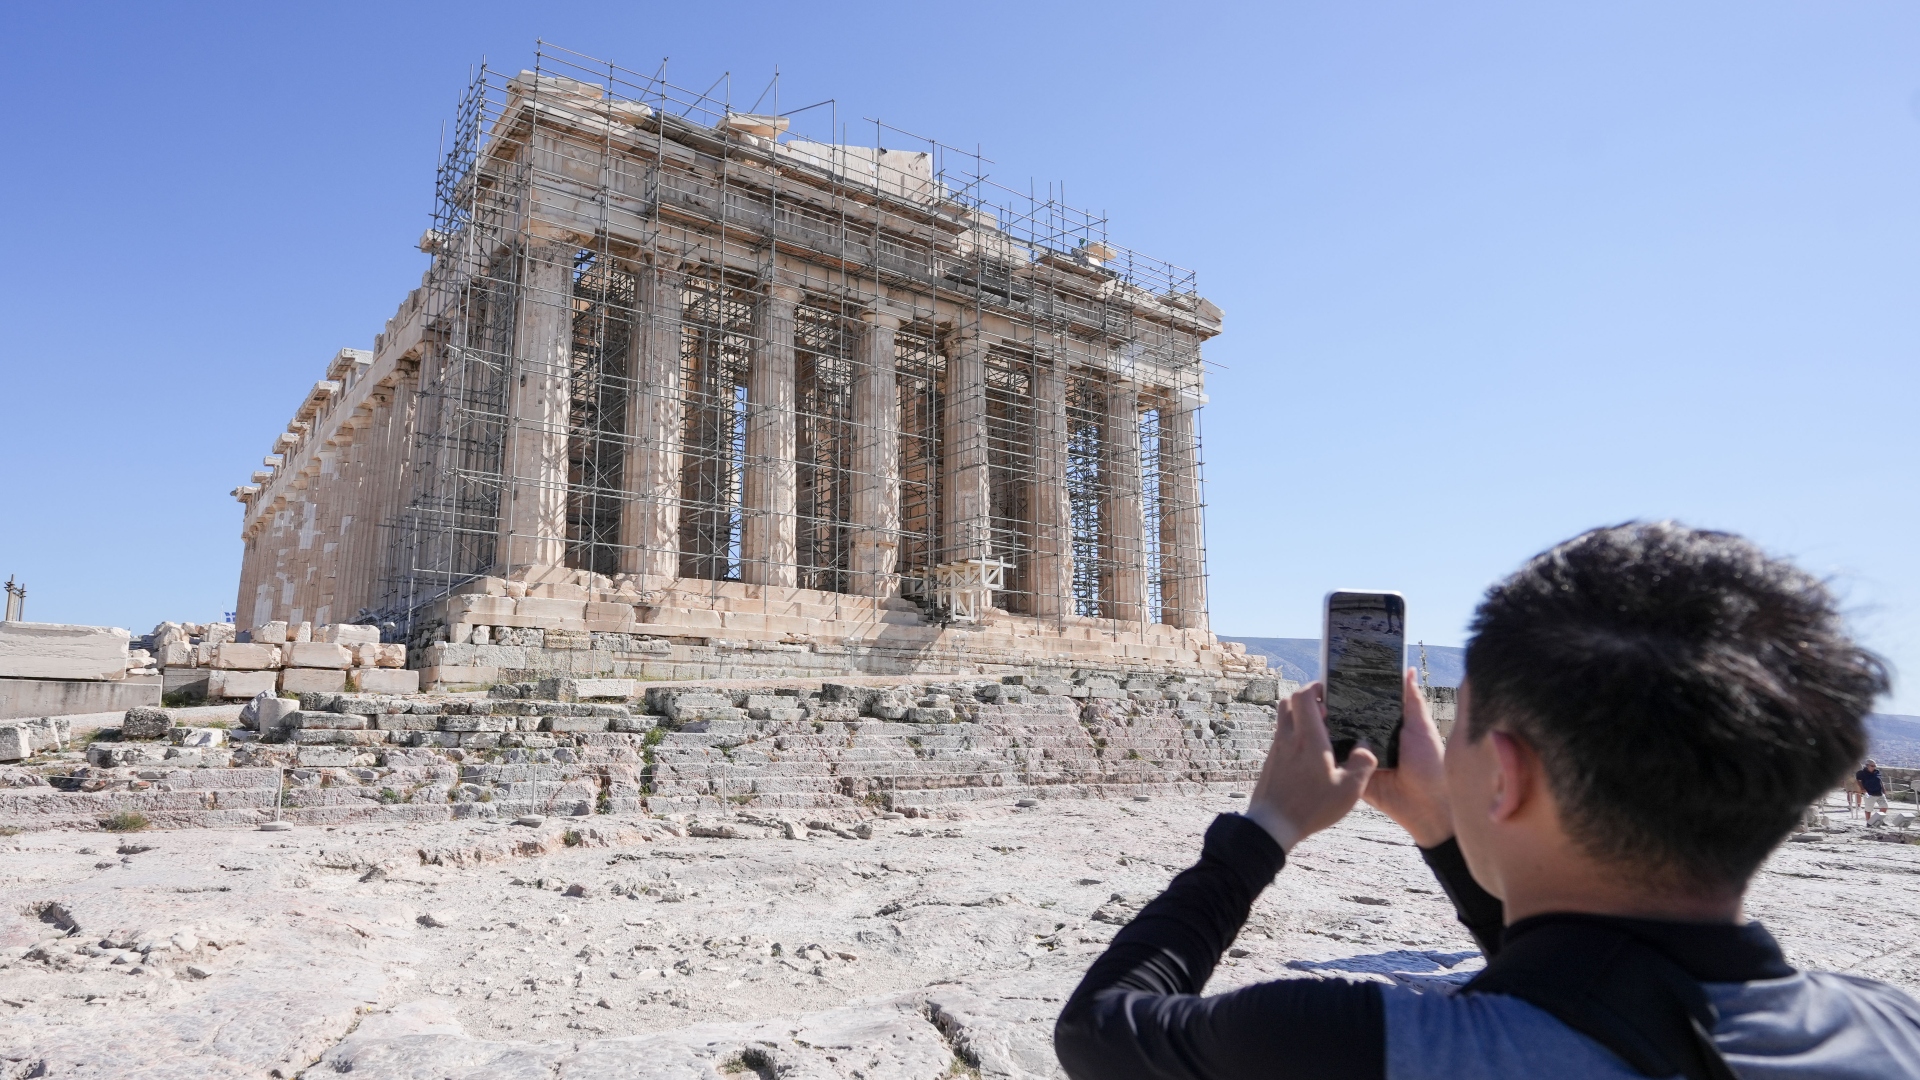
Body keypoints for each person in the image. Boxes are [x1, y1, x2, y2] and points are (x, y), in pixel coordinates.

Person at [1054, 522, 1920, 1079]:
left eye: (1456, 720)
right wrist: (1440, 823)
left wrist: (1265, 828)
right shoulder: (1891, 1029)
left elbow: (1098, 1031)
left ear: (1506, 774)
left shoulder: (1361, 1044)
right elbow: (1595, 984)